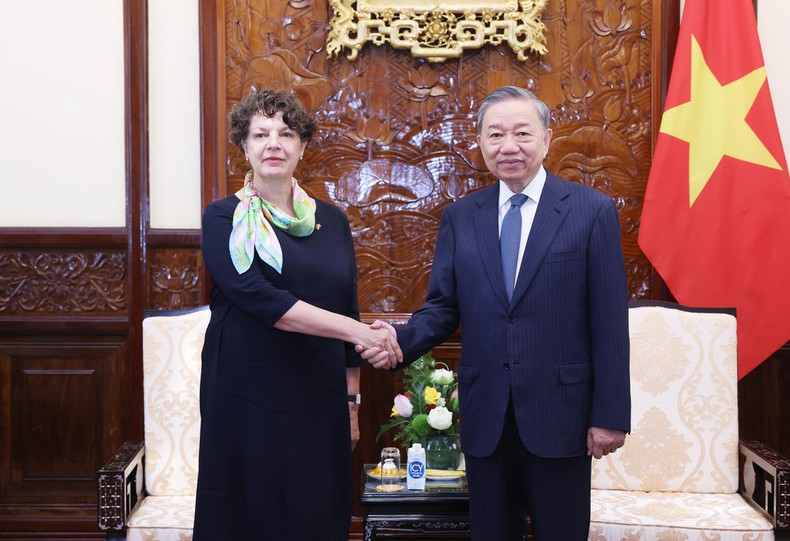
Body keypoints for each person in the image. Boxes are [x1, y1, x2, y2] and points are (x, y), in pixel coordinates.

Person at [361, 86, 630, 540]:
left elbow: (608, 322)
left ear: (546, 138)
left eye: (522, 133)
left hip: (560, 415)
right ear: (481, 144)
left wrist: (609, 415)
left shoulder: (590, 211)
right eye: (496, 134)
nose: (509, 146)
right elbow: (443, 308)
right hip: (486, 415)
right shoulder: (462, 216)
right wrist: (392, 342)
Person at [194, 88, 401, 540]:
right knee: (248, 510)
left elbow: (347, 303)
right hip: (245, 392)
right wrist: (357, 331)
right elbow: (260, 297)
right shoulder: (223, 218)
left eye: (286, 133)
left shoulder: (332, 220)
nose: (274, 143)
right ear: (244, 147)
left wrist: (351, 403)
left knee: (313, 508)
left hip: (317, 392)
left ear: (302, 146)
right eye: (261, 133)